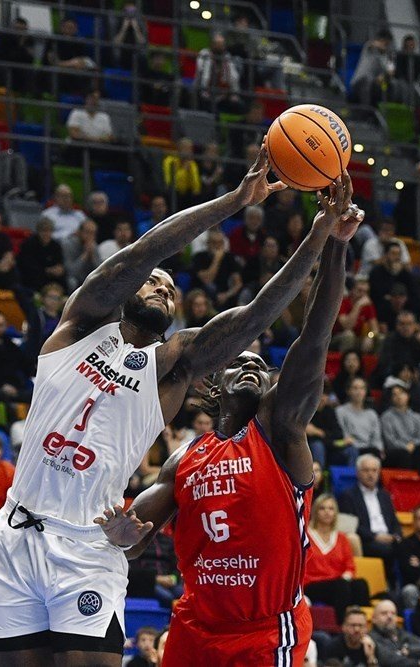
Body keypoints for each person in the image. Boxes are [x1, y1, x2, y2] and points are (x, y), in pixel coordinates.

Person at [0, 150, 360, 665]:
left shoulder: (172, 369)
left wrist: (319, 235)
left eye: (171, 289)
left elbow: (256, 317)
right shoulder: (77, 327)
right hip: (15, 530)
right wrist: (233, 201)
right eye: (153, 282)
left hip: (86, 546)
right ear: (124, 292)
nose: (162, 287)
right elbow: (142, 253)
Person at [95, 217, 359, 665]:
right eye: (240, 361)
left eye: (262, 365)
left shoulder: (280, 432)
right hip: (197, 625)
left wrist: (335, 245)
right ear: (215, 384)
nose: (254, 366)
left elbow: (315, 339)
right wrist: (122, 535)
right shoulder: (183, 459)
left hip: (265, 629)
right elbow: (135, 538)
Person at [304, 494, 371, 622]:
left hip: (338, 584)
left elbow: (350, 566)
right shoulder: (306, 536)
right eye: (322, 508)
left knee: (360, 584)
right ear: (315, 511)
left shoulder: (341, 538)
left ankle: (362, 624)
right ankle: (342, 624)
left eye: (331, 509)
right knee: (341, 586)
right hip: (312, 584)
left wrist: (346, 577)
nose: (327, 512)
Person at [339, 455, 402, 576]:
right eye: (366, 470)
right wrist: (375, 536)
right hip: (367, 540)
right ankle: (388, 584)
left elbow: (394, 521)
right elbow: (352, 525)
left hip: (389, 538)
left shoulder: (385, 495)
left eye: (374, 470)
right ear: (358, 473)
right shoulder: (348, 496)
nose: (370, 474)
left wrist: (396, 536)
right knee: (387, 550)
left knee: (407, 546)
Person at [369, 599, 420, 665]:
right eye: (384, 613)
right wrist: (417, 663)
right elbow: (388, 660)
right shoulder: (371, 638)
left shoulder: (401, 634)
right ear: (374, 618)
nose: (390, 616)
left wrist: (409, 651)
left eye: (393, 613)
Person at [335, 379, 384, 463]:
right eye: (355, 388)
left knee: (376, 452)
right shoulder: (340, 411)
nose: (359, 391)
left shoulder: (372, 414)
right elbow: (342, 433)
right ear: (348, 391)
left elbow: (376, 438)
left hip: (369, 448)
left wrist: (379, 449)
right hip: (350, 447)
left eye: (362, 388)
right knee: (352, 451)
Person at [319, 605, 384, 664]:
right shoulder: (332, 647)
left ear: (366, 629)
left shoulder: (371, 645)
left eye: (360, 625)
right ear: (343, 627)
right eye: (353, 625)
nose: (357, 629)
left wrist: (371, 657)